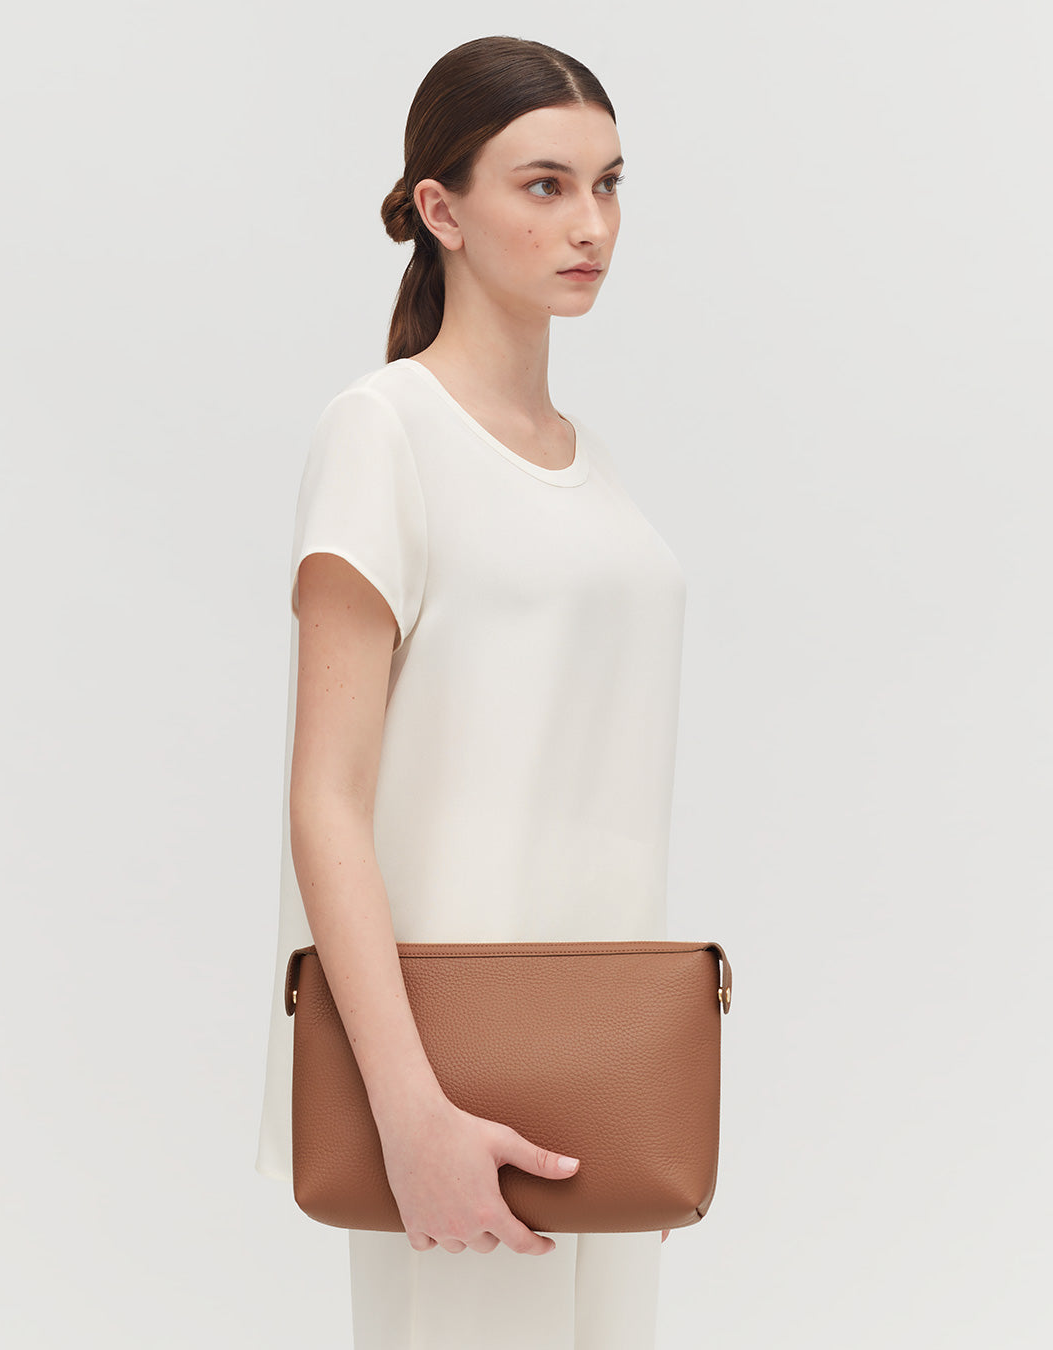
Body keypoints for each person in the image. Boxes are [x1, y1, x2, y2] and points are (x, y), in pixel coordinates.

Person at [256, 34, 688, 1349]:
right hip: (449, 1068)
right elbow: (327, 798)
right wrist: (411, 1112)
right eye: (545, 185)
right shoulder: (383, 431)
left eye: (609, 184)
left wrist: (644, 1071)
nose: (592, 224)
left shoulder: (593, 465)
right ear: (440, 211)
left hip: (603, 1058)